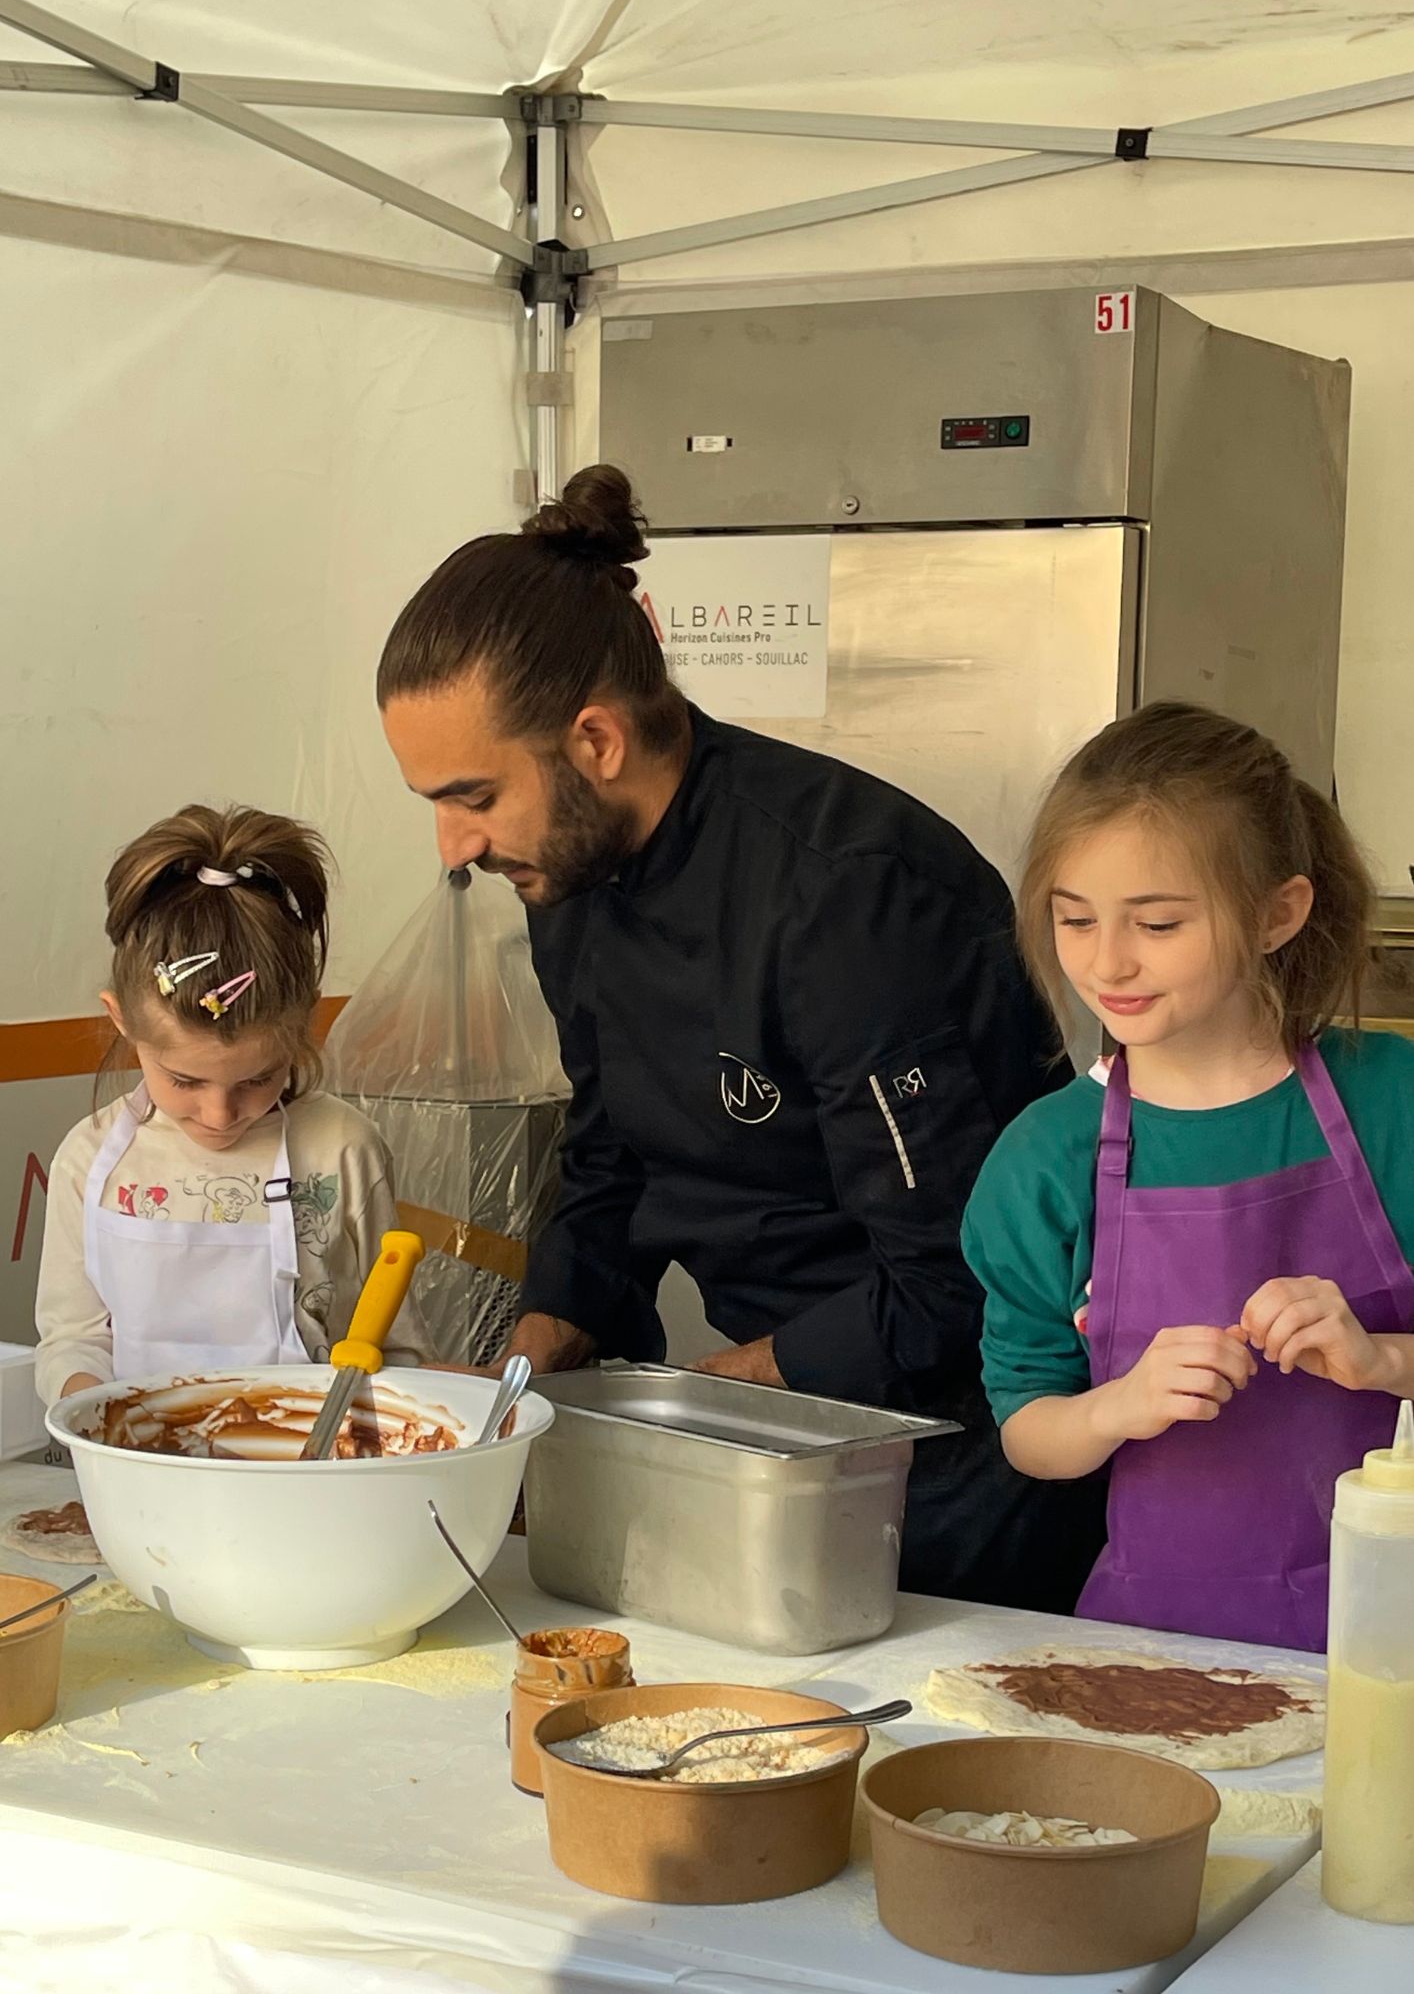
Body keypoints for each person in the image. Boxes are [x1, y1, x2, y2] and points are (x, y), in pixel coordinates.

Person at [377, 463, 1108, 1612]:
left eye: (471, 795)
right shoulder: (570, 879)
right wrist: (536, 1348)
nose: (451, 845)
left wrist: (699, 1405)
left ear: (596, 742)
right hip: (788, 1430)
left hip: (964, 1455)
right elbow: (612, 1148)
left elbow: (955, 1275)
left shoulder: (847, 897)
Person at [963, 701, 1414, 1651]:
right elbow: (1027, 1430)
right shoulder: (1046, 1161)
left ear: (1276, 913)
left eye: (1158, 923)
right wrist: (1119, 1405)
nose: (1107, 962)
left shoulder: (1395, 1106)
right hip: (1162, 1647)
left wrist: (1383, 1361)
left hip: (1395, 1645)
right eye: (1074, 920)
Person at [35, 804, 433, 1403]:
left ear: (304, 1027)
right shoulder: (90, 1160)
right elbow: (72, 1337)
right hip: (138, 1463)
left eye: (258, 1078)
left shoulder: (341, 1149)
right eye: (185, 1081)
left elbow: (393, 1345)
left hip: (312, 1466)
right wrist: (97, 1412)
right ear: (122, 1022)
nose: (220, 1114)